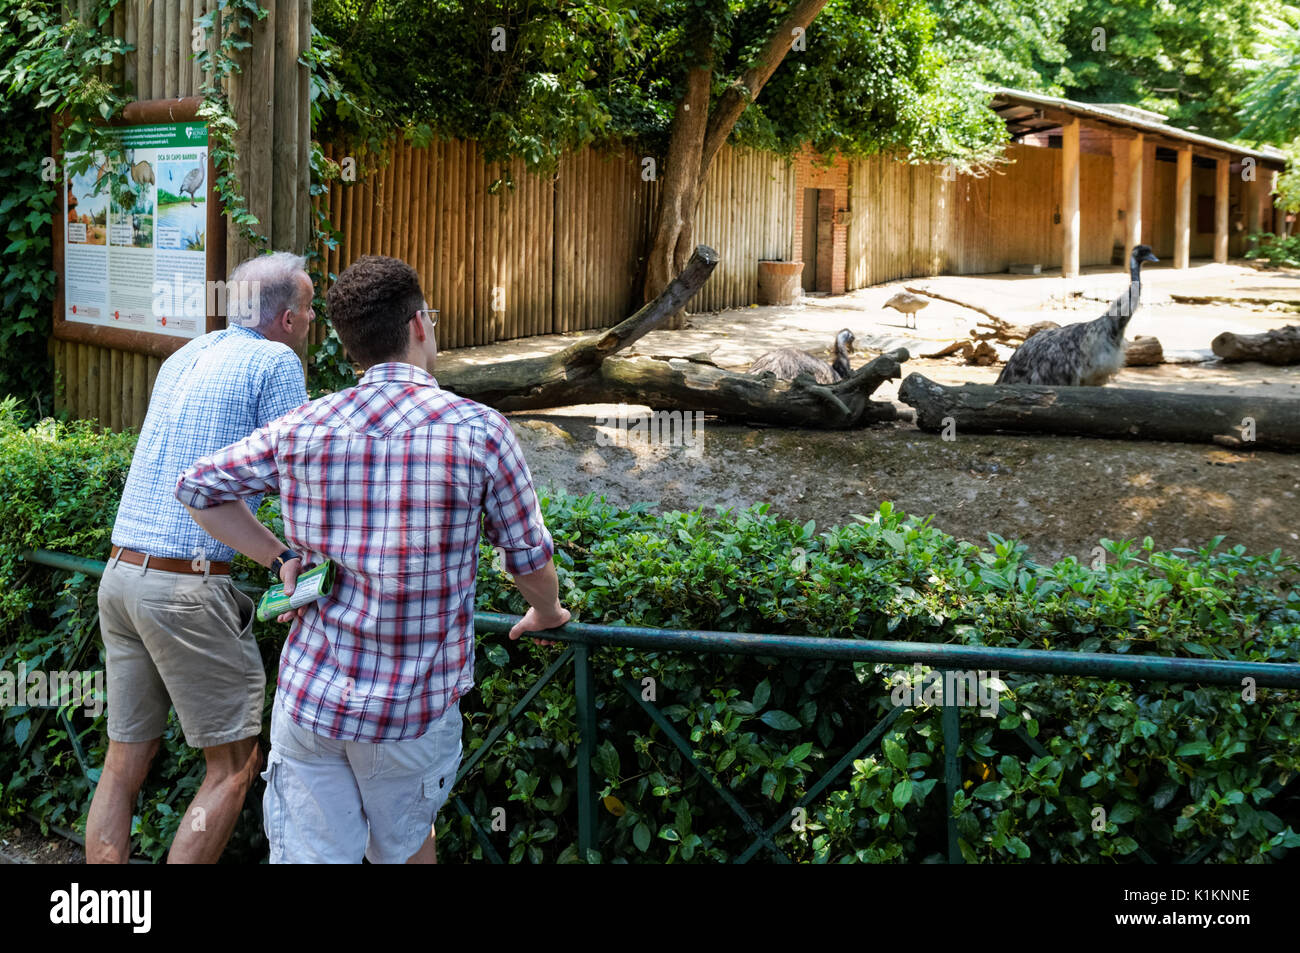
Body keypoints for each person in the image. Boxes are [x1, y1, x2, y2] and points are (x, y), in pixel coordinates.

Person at [175, 254, 570, 864]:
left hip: (310, 703)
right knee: (408, 851)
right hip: (410, 715)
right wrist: (546, 611)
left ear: (347, 342)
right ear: (419, 324)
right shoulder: (480, 432)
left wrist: (277, 555)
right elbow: (527, 559)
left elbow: (198, 488)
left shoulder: (303, 427)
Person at [86, 251, 315, 864]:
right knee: (234, 766)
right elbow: (293, 478)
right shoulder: (277, 361)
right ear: (288, 319)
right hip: (186, 588)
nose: (314, 318)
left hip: (121, 576)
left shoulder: (188, 352)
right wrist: (287, 558)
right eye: (311, 307)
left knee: (124, 759)